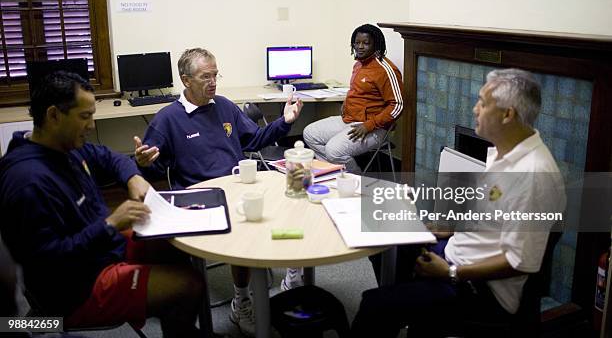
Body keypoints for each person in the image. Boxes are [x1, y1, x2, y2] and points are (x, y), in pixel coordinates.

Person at [351, 68, 566, 337]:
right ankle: (414, 308)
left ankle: (411, 303)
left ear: (508, 114)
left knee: (374, 304)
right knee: (387, 239)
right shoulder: (505, 152)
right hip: (457, 252)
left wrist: (450, 273)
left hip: (479, 287)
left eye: (482, 103)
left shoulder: (533, 176)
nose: (475, 109)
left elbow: (520, 262)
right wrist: (451, 228)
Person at [0, 72, 203, 338]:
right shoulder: (28, 182)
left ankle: (177, 324)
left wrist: (133, 178)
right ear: (53, 115)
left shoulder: (62, 145)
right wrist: (111, 224)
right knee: (188, 285)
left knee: (171, 240)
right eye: (85, 116)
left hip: (100, 251)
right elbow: (50, 262)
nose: (92, 125)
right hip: (74, 288)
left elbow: (109, 157)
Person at [134, 47, 303, 336]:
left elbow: (254, 139)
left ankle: (292, 275)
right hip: (202, 199)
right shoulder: (167, 119)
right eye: (205, 76)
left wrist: (284, 122)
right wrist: (143, 163)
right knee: (244, 232)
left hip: (239, 187)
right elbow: (153, 170)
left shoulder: (224, 106)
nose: (213, 82)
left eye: (215, 75)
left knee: (290, 202)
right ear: (186, 81)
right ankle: (242, 300)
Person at [302, 23, 404, 174]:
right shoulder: (358, 64)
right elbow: (362, 92)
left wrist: (369, 125)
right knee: (310, 133)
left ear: (376, 44)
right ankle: (335, 173)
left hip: (374, 127)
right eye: (357, 42)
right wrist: (347, 103)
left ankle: (355, 179)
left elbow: (398, 105)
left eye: (366, 43)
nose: (360, 47)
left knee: (333, 150)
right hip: (350, 120)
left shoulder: (385, 69)